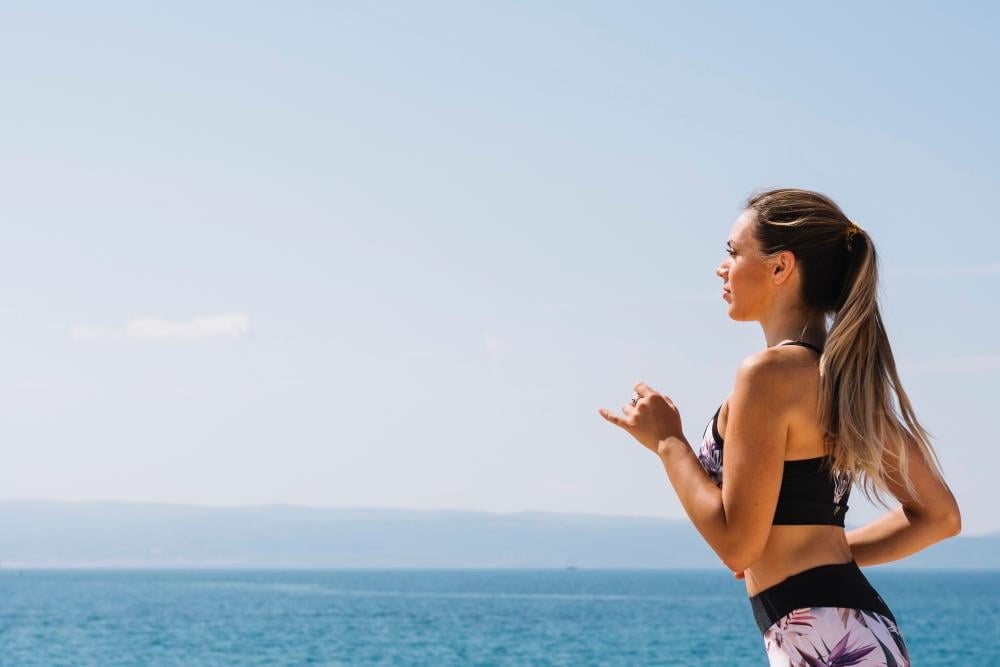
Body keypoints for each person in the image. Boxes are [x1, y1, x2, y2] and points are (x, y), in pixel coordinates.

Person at [598, 187, 961, 665]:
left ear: (780, 267)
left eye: (733, 251)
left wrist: (668, 441)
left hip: (826, 637)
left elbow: (737, 547)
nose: (721, 267)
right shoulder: (842, 381)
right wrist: (833, 553)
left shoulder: (767, 375)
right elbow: (941, 516)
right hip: (851, 632)